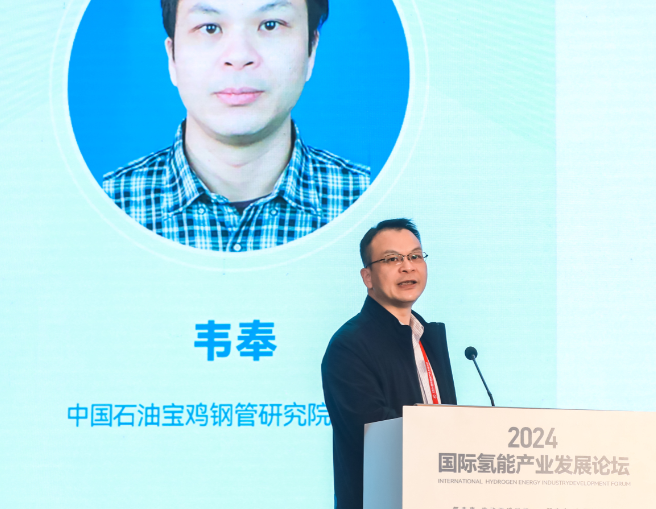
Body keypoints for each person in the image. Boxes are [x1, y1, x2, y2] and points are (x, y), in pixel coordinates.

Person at [102, 0, 369, 252]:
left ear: (312, 50)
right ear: (172, 57)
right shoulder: (104, 210)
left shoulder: (371, 204)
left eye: (270, 25)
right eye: (210, 28)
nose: (239, 56)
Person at [321, 218, 457, 509]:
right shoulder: (350, 346)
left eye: (415, 256)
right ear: (367, 277)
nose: (407, 267)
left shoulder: (427, 338)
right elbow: (375, 437)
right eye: (392, 259)